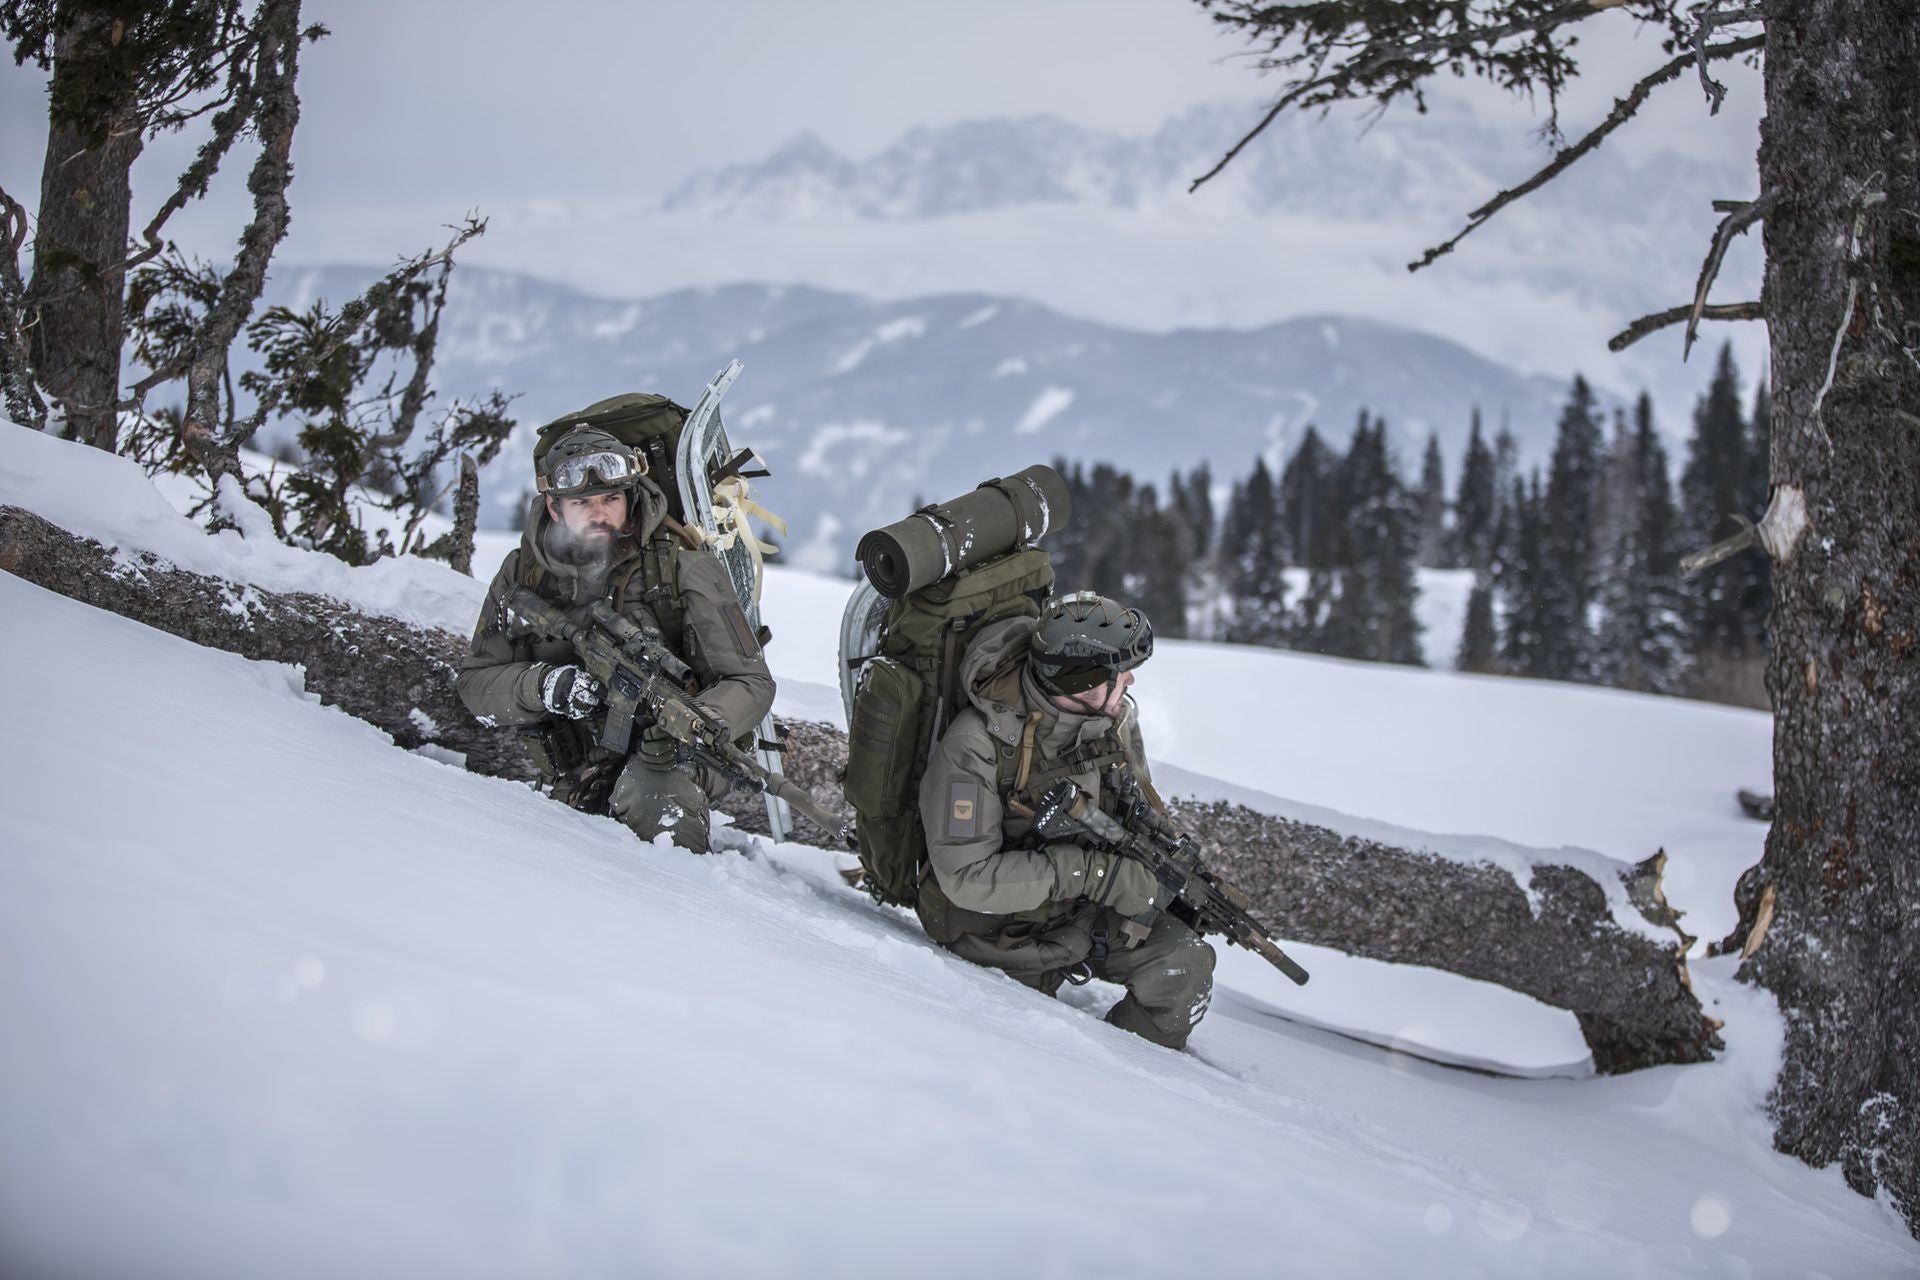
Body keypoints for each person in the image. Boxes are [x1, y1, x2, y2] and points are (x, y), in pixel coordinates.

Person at [914, 591, 1216, 1049]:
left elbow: (1140, 808)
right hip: (995, 931)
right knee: (1024, 1045)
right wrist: (1099, 876)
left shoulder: (1111, 722)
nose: (1130, 679)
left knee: (1182, 966)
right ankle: (1084, 1080)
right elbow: (965, 877)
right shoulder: (975, 745)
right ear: (1082, 682)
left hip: (1075, 912)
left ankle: (1136, 1081)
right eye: (1117, 673)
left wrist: (1166, 870)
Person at [457, 426, 774, 853]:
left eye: (611, 499)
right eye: (581, 503)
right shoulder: (523, 575)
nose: (599, 514)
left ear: (631, 497)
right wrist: (543, 686)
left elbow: (751, 682)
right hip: (579, 760)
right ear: (553, 507)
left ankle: (684, 904)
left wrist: (696, 724)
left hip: (684, 747)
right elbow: (475, 684)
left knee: (655, 789)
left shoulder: (683, 569)